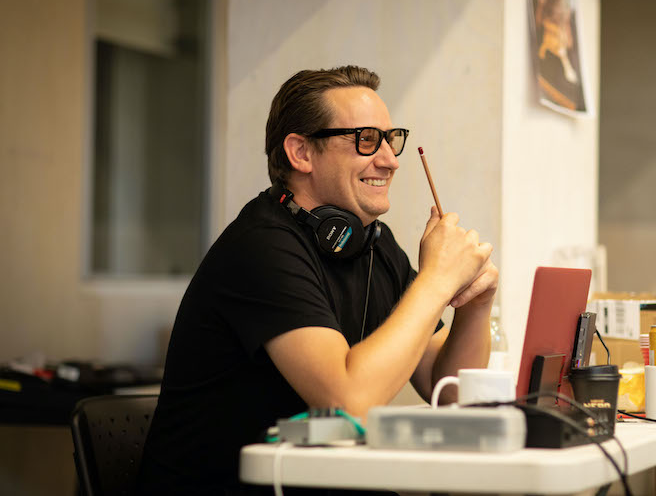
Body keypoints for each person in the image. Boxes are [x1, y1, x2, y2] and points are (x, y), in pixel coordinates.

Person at [137, 65, 498, 495]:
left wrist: (474, 305)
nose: (390, 160)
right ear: (301, 153)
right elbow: (348, 404)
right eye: (366, 140)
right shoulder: (262, 247)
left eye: (390, 139)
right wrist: (436, 282)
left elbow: (451, 392)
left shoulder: (374, 247)